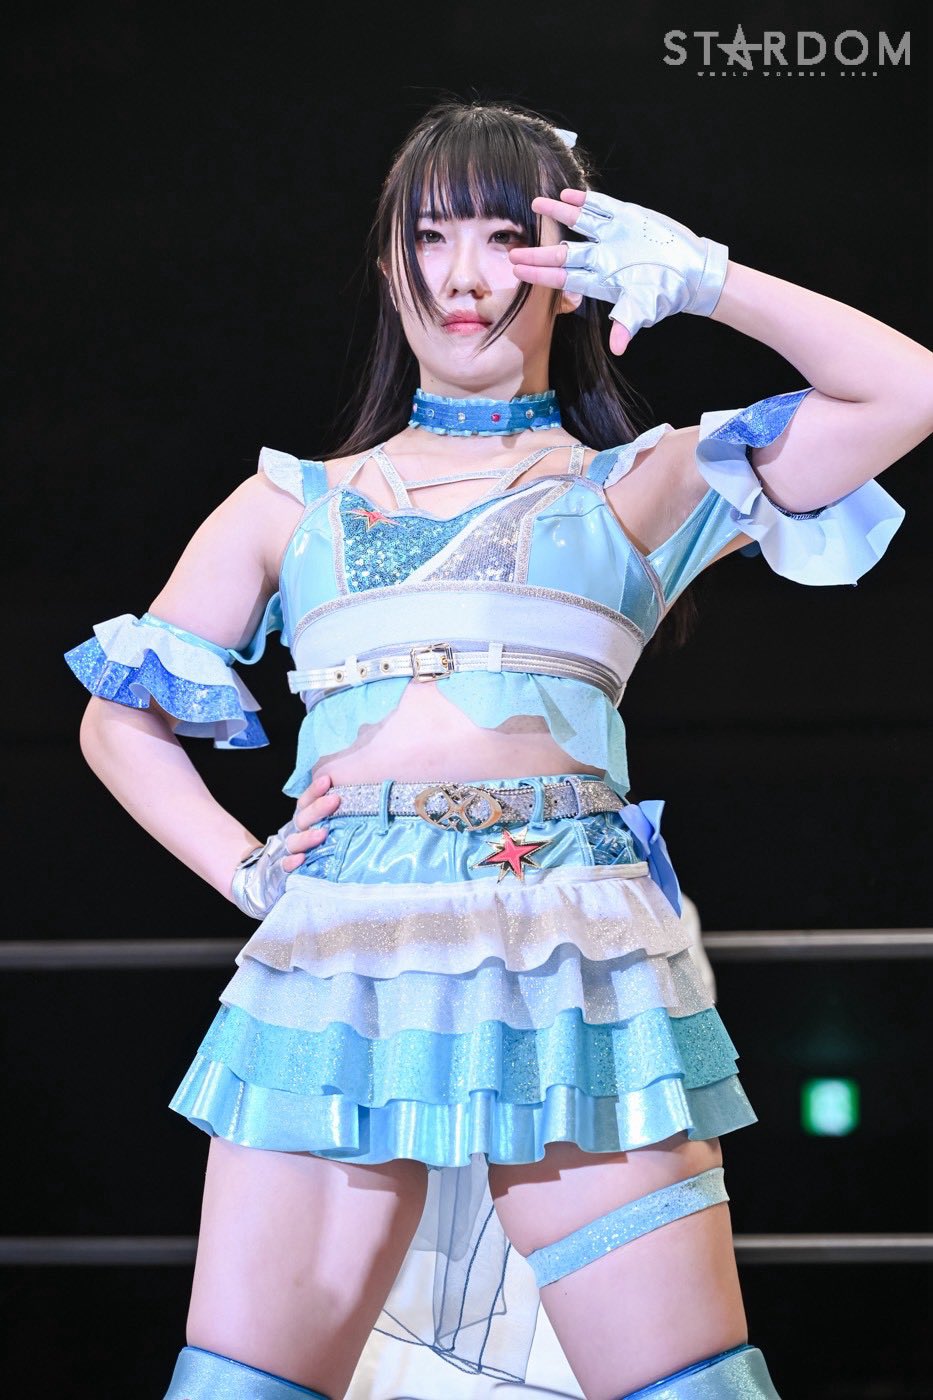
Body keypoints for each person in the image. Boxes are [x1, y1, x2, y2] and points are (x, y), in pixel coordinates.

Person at [64, 98, 928, 1400]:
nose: (463, 276)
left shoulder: (639, 483)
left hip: (570, 954)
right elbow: (117, 720)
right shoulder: (287, 504)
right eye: (429, 237)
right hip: (339, 959)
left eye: (503, 236)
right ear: (387, 266)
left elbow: (909, 390)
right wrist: (249, 872)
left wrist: (706, 280)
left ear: (571, 269)